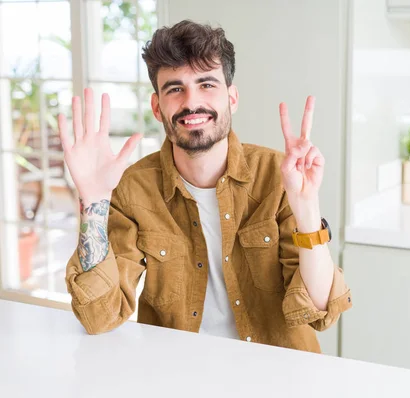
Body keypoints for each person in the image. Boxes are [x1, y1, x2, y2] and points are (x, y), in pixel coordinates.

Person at [59, 20, 352, 353]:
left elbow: (319, 309)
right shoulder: (133, 189)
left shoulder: (278, 175)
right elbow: (99, 315)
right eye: (175, 89)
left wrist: (307, 206)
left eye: (206, 84)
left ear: (232, 98)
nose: (191, 102)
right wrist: (93, 201)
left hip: (277, 375)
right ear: (157, 107)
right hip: (178, 373)